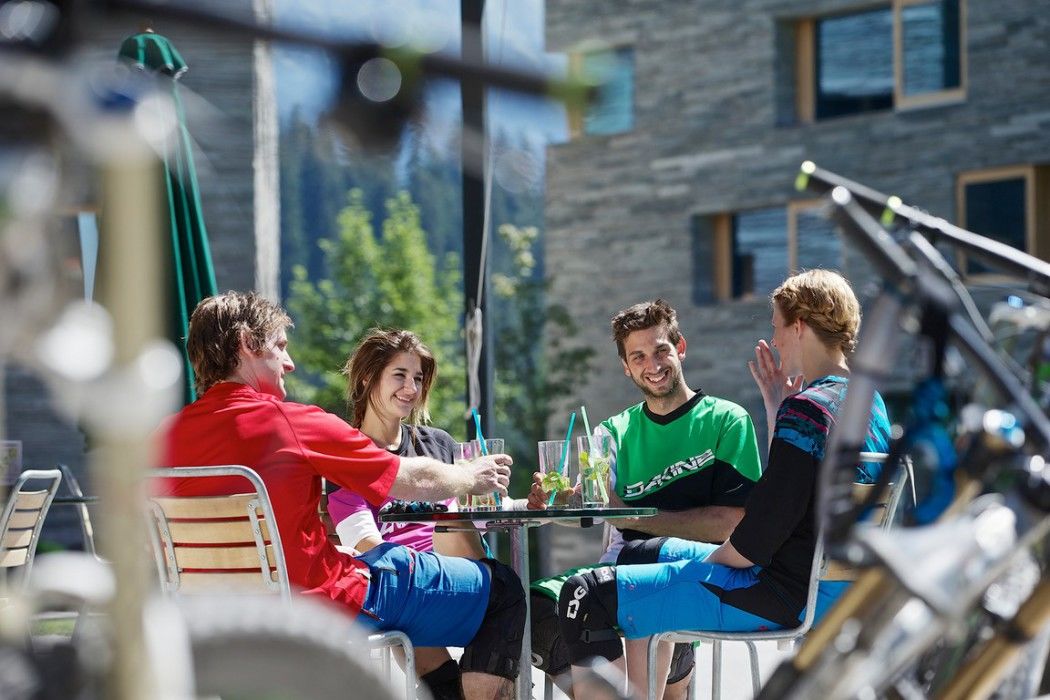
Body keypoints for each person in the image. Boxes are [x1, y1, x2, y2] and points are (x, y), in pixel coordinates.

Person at [157, 292, 524, 700]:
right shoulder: (290, 422)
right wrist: (467, 475)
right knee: (503, 590)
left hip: (217, 621)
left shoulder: (158, 440)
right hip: (324, 606)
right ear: (246, 343)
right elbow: (408, 478)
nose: (290, 362)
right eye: (280, 346)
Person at [554, 270, 891, 697]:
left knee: (583, 595)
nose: (776, 338)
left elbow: (754, 540)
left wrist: (703, 565)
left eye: (776, 326)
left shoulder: (808, 411)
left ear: (799, 326)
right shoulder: (869, 404)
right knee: (639, 551)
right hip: (836, 589)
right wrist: (776, 409)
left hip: (779, 593)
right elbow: (795, 493)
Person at [528, 298, 763, 697]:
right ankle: (655, 681)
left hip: (698, 575)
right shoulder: (612, 431)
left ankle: (666, 672)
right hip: (617, 574)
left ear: (681, 347)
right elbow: (597, 508)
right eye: (637, 356)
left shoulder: (727, 420)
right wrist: (558, 506)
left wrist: (634, 517)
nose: (652, 365)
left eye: (660, 350)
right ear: (625, 366)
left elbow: (735, 522)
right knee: (533, 607)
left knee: (632, 579)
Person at [327, 328, 486, 699]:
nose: (411, 389)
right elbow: (362, 541)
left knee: (542, 622)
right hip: (406, 582)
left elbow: (472, 516)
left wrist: (527, 504)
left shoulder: (439, 443)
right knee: (421, 628)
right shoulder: (350, 455)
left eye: (417, 378)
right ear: (367, 377)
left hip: (458, 570)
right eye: (399, 375)